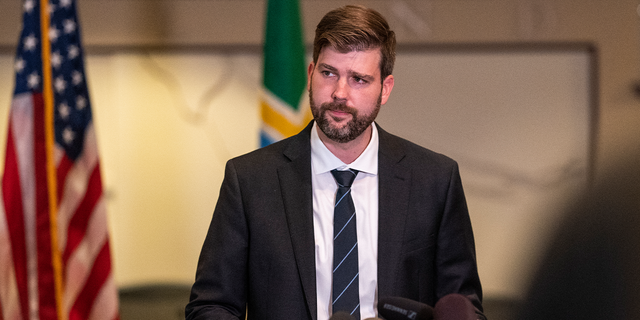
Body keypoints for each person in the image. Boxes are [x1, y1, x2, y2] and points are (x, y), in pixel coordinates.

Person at [185, 5, 485, 320]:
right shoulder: (249, 180)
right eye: (329, 73)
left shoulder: (435, 180)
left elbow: (464, 308)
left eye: (358, 79)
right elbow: (210, 306)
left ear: (385, 89)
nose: (339, 93)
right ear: (311, 73)